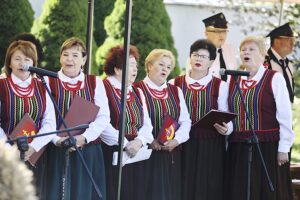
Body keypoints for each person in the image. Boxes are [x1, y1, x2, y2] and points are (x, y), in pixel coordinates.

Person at [225, 36, 294, 200]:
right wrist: (227, 127)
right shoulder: (233, 80)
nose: (246, 52)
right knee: (240, 190)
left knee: (265, 191)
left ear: (263, 55)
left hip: (267, 146)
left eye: (251, 49)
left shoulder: (274, 78)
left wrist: (284, 148)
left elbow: (284, 116)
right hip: (239, 147)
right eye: (243, 50)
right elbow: (231, 115)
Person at [46, 37, 110, 200]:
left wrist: (84, 138)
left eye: (75, 55)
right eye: (65, 54)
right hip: (58, 150)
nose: (69, 59)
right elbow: (44, 117)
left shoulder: (94, 82)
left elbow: (103, 117)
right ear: (60, 57)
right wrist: (57, 140)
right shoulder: (48, 81)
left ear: (84, 59)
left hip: (88, 151)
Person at [170, 39, 233, 200]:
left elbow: (225, 114)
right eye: (195, 55)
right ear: (190, 57)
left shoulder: (220, 85)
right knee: (182, 183)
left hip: (211, 143)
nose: (198, 59)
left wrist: (227, 128)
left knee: (209, 185)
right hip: (182, 143)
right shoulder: (174, 83)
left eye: (203, 57)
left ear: (211, 62)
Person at [0, 40, 56, 198]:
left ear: (33, 63)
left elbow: (50, 122)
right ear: (9, 63)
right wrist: (10, 149)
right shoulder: (1, 85)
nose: (22, 63)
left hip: (36, 156)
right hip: (5, 157)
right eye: (17, 59)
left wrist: (34, 147)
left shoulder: (42, 85)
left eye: (27, 59)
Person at [134, 49, 191, 200]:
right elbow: (133, 120)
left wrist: (176, 140)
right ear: (149, 66)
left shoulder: (175, 91)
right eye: (161, 64)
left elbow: (185, 122)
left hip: (170, 155)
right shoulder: (136, 89)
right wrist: (148, 140)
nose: (165, 69)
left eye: (168, 66)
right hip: (145, 155)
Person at [101, 45, 153, 200]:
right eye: (131, 65)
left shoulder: (137, 91)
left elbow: (147, 124)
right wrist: (124, 144)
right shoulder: (104, 87)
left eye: (136, 65)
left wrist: (139, 141)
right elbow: (102, 123)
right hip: (112, 153)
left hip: (136, 153)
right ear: (117, 69)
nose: (135, 69)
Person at [265, 22, 296, 103]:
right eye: (289, 40)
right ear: (276, 41)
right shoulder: (263, 62)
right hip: (269, 112)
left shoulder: (288, 64)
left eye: (293, 40)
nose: (293, 44)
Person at [202, 12, 238, 81]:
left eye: (224, 31)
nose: (222, 35)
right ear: (206, 33)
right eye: (217, 31)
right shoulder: (199, 51)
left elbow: (235, 75)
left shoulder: (229, 49)